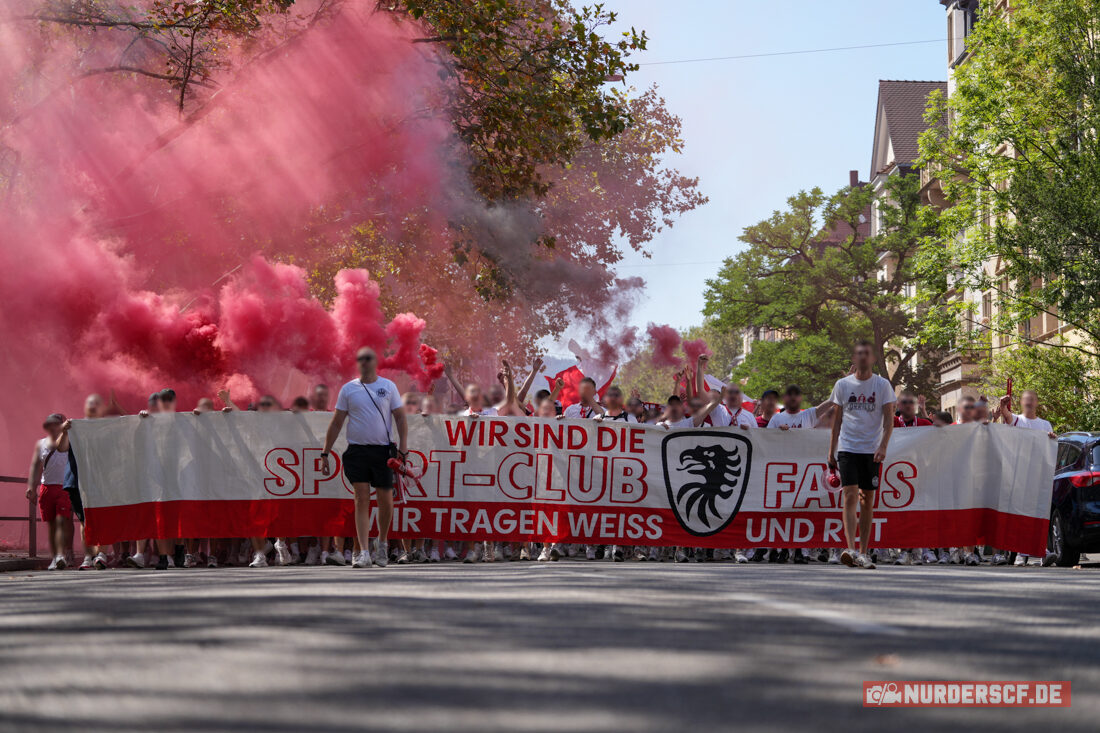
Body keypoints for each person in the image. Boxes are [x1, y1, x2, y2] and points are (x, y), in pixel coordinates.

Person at [321, 347, 408, 569]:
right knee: (361, 498)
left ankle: (382, 544)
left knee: (385, 500)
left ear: (375, 361)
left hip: (382, 452)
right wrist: (326, 451)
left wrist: (404, 447)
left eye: (368, 358)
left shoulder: (388, 386)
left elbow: (400, 417)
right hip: (357, 451)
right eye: (360, 359)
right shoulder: (348, 389)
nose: (364, 362)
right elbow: (337, 422)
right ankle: (363, 552)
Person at [827, 340, 896, 570]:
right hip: (848, 448)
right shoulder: (842, 385)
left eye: (867, 353)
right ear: (854, 359)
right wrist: (831, 451)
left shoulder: (882, 385)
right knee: (849, 495)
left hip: (871, 450)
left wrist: (883, 446)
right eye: (859, 354)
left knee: (867, 500)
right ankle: (850, 549)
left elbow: (889, 420)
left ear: (873, 358)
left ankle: (864, 552)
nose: (863, 357)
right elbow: (836, 421)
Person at [998, 389, 1057, 567]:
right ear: (1021, 403)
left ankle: (1041, 551)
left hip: (1038, 477)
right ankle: (1019, 553)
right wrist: (1002, 404)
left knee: (1038, 514)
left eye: (1032, 399)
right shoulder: (1017, 420)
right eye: (1026, 399)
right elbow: (1006, 415)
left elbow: (1050, 448)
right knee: (1019, 515)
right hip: (1019, 476)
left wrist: (1052, 439)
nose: (1029, 402)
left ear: (1037, 402)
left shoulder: (1045, 425)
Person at [58, 395, 110, 570]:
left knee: (102, 517)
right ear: (84, 406)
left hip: (101, 480)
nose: (93, 406)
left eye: (97, 403)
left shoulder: (108, 428)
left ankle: (101, 554)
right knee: (83, 520)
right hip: (77, 480)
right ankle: (88, 555)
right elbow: (61, 447)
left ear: (102, 408)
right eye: (90, 403)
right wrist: (64, 430)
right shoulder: (74, 426)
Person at [890, 392, 935, 566]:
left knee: (917, 512)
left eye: (911, 402)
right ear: (899, 406)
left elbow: (939, 434)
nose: (908, 405)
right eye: (905, 402)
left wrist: (924, 411)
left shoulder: (923, 424)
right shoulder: (893, 422)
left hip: (919, 473)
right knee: (901, 514)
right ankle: (903, 551)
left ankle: (916, 551)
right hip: (896, 473)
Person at [27, 413, 73, 570]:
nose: (53, 427)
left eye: (56, 424)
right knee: (52, 525)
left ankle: (61, 555)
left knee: (61, 521)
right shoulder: (41, 444)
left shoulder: (69, 441)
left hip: (64, 488)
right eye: (50, 424)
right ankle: (55, 557)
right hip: (47, 488)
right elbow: (35, 466)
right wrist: (31, 487)